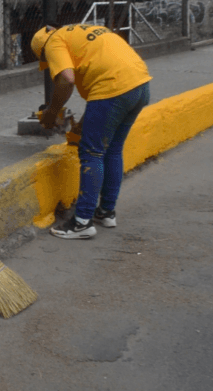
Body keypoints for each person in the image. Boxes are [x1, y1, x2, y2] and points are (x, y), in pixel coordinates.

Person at [30, 23, 152, 240]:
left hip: (113, 89)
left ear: (43, 52)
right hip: (140, 85)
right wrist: (81, 126)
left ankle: (82, 222)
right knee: (113, 149)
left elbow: (67, 79)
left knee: (92, 153)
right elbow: (103, 89)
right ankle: (106, 212)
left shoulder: (53, 42)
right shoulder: (80, 32)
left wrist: (51, 112)